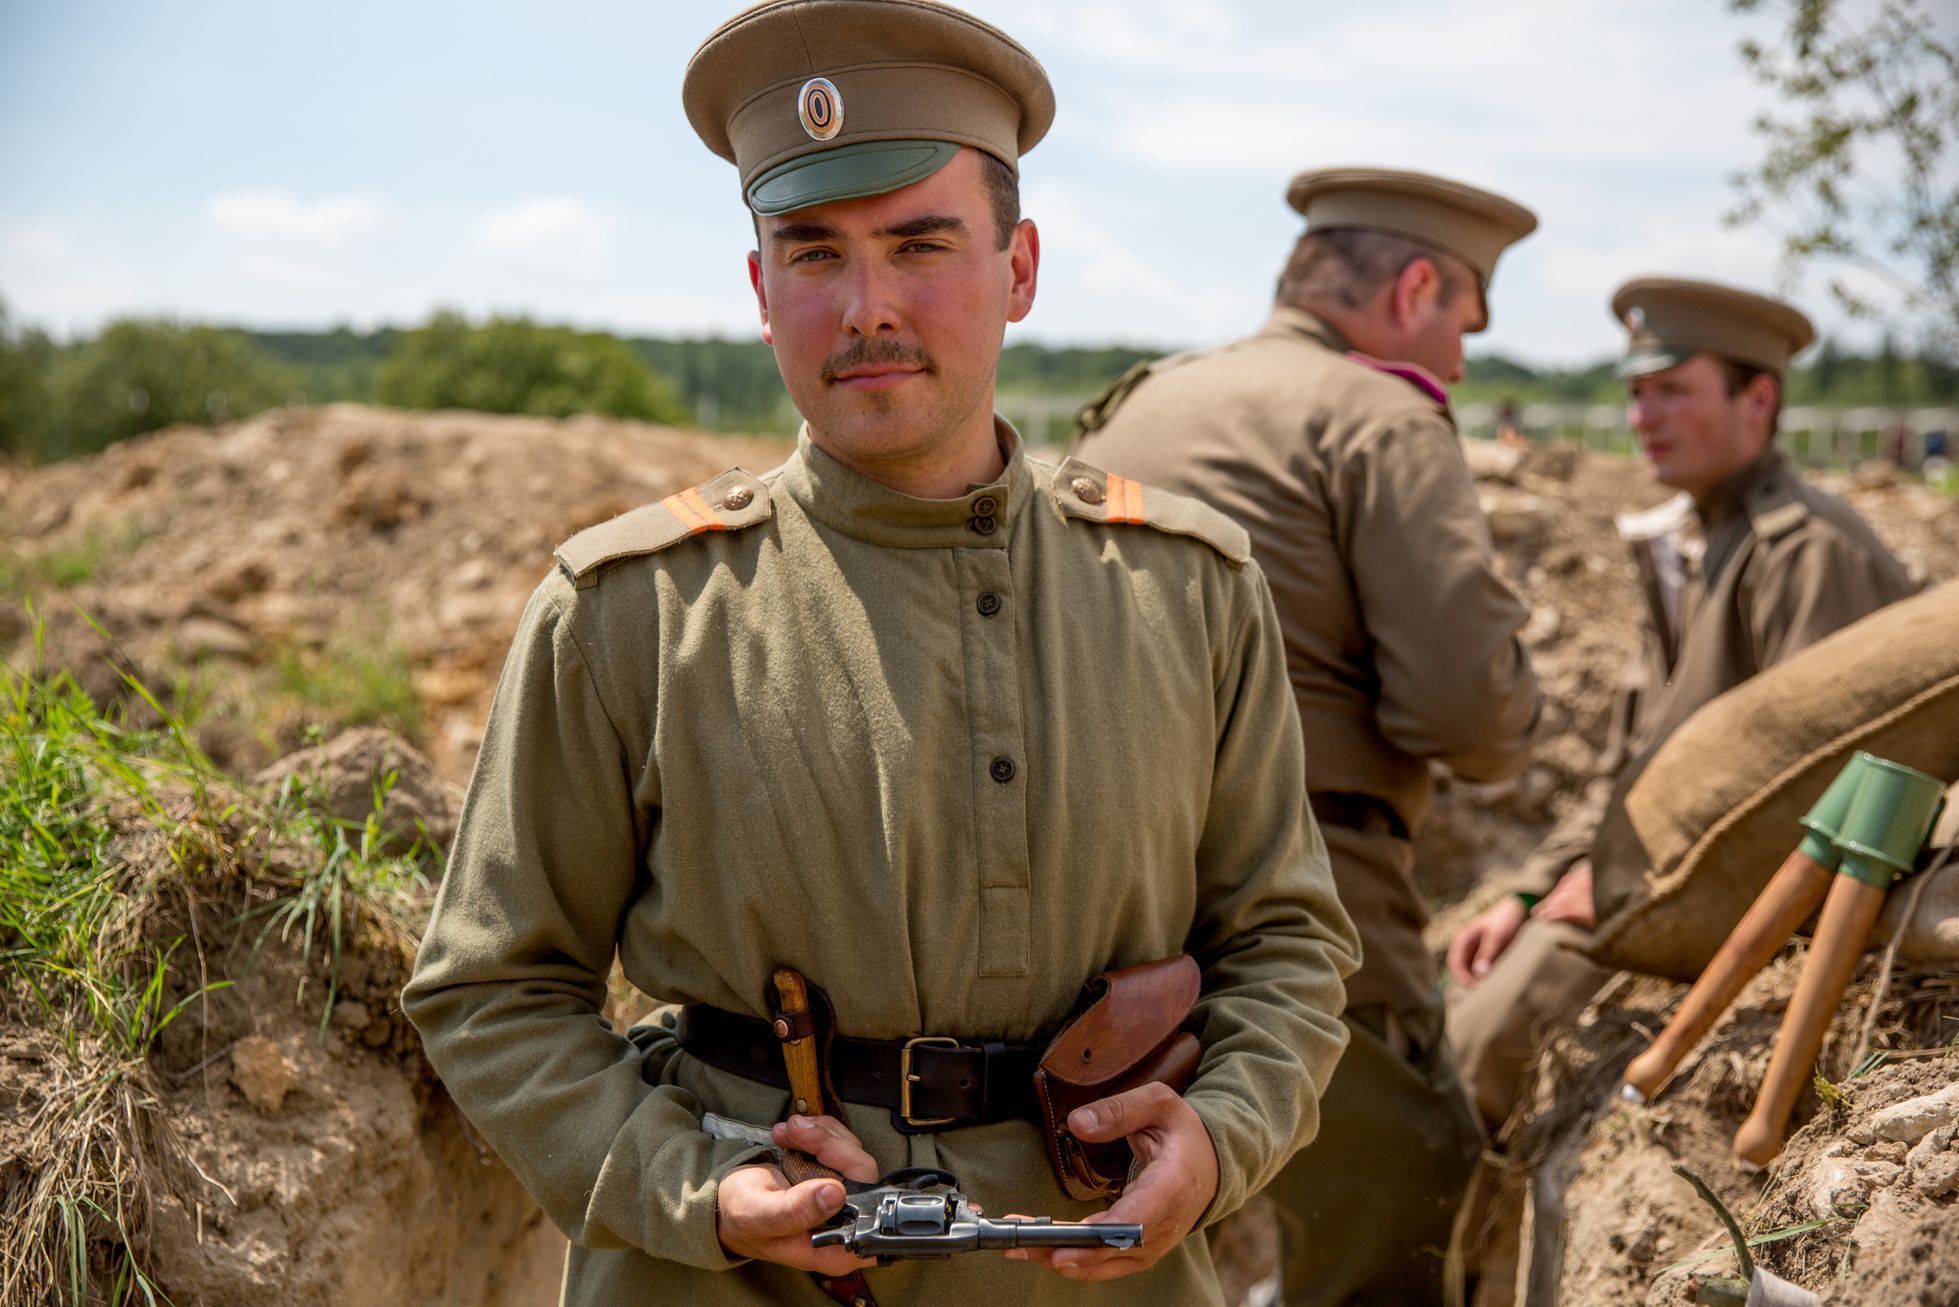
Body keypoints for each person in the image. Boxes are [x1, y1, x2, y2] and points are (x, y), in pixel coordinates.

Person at [401, 3, 1360, 1305]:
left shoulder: (1185, 587)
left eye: (919, 245)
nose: (865, 308)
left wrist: (1222, 1130)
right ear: (758, 289)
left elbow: (1285, 940)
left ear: (1018, 267)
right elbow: (492, 985)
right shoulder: (625, 608)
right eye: (812, 253)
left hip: (1085, 1273)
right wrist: (700, 1188)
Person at [1074, 167, 1542, 1306]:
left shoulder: (1147, 401)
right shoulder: (1377, 411)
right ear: (1416, 285)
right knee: (1404, 1204)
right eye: (1463, 321)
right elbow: (1467, 715)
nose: (1464, 360)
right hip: (1302, 890)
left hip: (1095, 900)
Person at [1444, 279, 1917, 1279]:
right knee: (1460, 985)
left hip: (1705, 889)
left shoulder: (1808, 549)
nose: (1642, 415)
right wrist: (1537, 882)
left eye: (1672, 390)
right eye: (1636, 391)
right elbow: (1633, 759)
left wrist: (1608, 889)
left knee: (1480, 1039)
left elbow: (1804, 793)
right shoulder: (1693, 541)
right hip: (1645, 865)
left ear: (1759, 403)